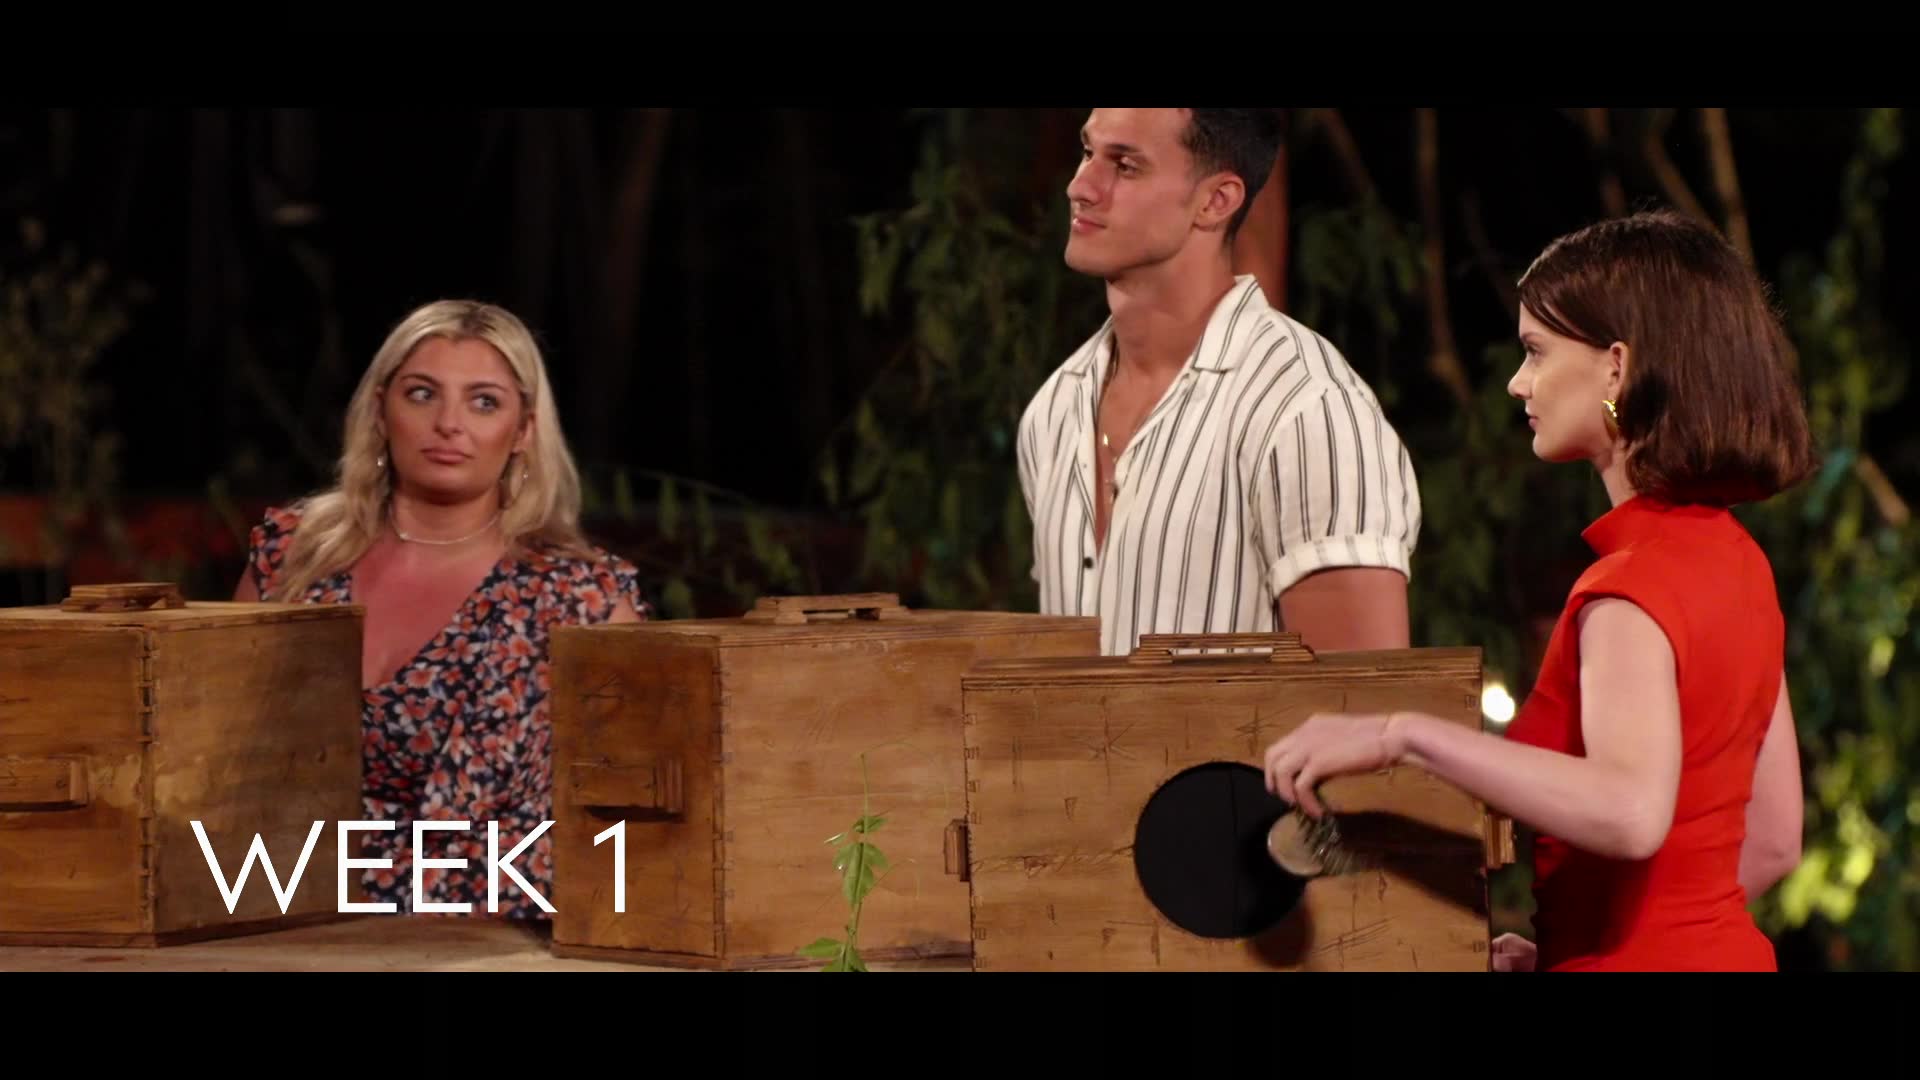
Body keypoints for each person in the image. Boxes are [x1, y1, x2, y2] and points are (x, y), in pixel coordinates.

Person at [1260, 209, 1815, 972]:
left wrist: (1402, 735)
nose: (1517, 382)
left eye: (1535, 351)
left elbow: (1630, 810)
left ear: (1616, 369)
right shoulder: (1741, 563)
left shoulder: (1629, 588)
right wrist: (1584, 944)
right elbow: (1775, 840)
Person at [235, 299, 650, 920]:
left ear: (524, 430)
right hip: (287, 909)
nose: (449, 424)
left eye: (484, 402)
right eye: (423, 394)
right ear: (381, 411)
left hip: (502, 933)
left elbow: (637, 814)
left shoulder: (582, 598)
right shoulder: (293, 556)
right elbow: (215, 758)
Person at [1017, 108, 1420, 657]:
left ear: (1216, 201)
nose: (1080, 187)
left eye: (1126, 165)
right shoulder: (1055, 409)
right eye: (1089, 152)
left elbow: (1362, 699)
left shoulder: (1307, 409)